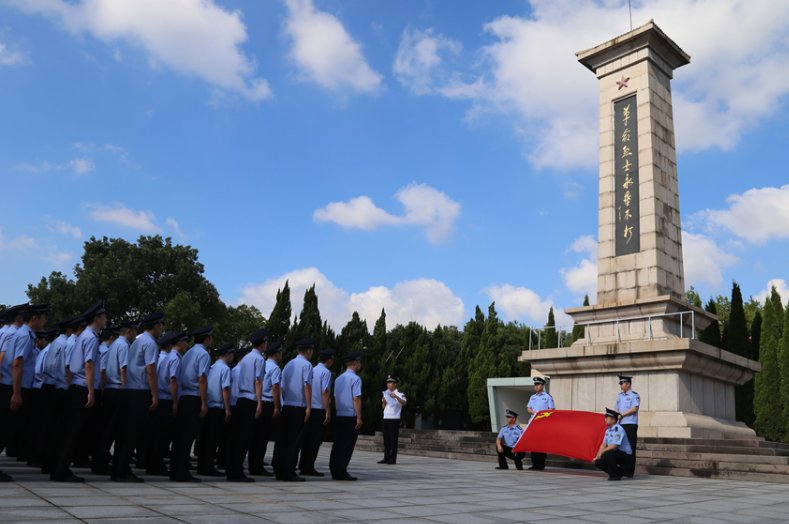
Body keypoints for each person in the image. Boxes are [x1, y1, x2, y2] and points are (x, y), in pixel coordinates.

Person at [55, 301, 107, 482]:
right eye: (104, 316)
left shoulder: (84, 336)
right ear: (97, 318)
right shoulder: (91, 338)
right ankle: (61, 470)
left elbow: (71, 365)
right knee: (72, 432)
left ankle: (60, 469)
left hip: (76, 386)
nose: (106, 320)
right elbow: (89, 365)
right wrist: (91, 392)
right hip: (83, 388)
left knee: (70, 431)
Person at [115, 311, 163, 482]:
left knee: (125, 433)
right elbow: (151, 370)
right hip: (139, 391)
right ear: (156, 326)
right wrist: (155, 394)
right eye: (161, 325)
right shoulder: (150, 343)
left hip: (129, 389)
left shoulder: (138, 340)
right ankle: (122, 471)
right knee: (132, 434)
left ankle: (119, 468)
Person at [93, 319, 137, 475]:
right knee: (118, 430)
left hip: (110, 390)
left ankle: (100, 462)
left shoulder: (113, 345)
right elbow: (123, 369)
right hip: (119, 389)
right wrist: (126, 388)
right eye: (134, 331)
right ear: (129, 331)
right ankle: (104, 463)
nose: (135, 335)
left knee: (107, 430)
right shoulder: (124, 345)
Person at [171, 325, 212, 482]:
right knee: (187, 437)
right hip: (194, 397)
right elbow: (202, 379)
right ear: (207, 338)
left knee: (180, 437)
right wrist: (204, 402)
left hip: (183, 397)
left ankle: (176, 470)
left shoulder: (188, 353)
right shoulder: (203, 354)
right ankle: (182, 472)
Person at [41, 315, 80, 475]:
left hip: (51, 385)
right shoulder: (66, 343)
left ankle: (48, 463)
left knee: (52, 430)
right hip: (60, 387)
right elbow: (67, 368)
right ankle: (54, 464)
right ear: (70, 329)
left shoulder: (57, 342)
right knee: (58, 430)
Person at [273, 338, 314, 482]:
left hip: (287, 405)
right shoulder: (307, 365)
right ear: (308, 350)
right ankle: (288, 471)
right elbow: (307, 386)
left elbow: (282, 387)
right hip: (299, 406)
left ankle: (278, 469)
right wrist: (309, 406)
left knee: (283, 440)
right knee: (294, 442)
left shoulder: (289, 364)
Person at [147, 330, 185, 476]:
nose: (186, 344)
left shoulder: (169, 357)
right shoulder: (175, 358)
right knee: (162, 435)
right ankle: (156, 465)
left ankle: (154, 463)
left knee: (158, 435)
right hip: (167, 400)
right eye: (184, 341)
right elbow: (173, 380)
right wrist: (175, 403)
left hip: (162, 398)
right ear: (179, 342)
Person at [199, 342, 234, 477]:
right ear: (227, 355)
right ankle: (208, 467)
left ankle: (203, 466)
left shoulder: (212, 367)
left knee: (205, 439)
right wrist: (227, 408)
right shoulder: (225, 369)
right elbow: (225, 389)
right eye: (231, 354)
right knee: (213, 440)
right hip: (218, 407)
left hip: (209, 405)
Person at [299, 348, 334, 476]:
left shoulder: (312, 369)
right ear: (329, 360)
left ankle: (302, 464)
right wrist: (328, 411)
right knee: (315, 441)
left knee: (306, 439)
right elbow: (325, 392)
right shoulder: (326, 373)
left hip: (308, 407)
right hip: (319, 409)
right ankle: (308, 467)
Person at [330, 351, 362, 481]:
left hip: (340, 414)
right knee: (347, 445)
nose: (360, 364)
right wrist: (359, 416)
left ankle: (334, 469)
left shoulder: (339, 378)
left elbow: (336, 397)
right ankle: (341, 471)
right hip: (350, 416)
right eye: (359, 361)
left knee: (338, 444)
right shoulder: (356, 379)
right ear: (355, 363)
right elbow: (356, 398)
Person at [239, 329, 267, 480]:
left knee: (239, 438)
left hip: (241, 397)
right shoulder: (259, 359)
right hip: (251, 399)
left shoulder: (246, 358)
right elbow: (258, 381)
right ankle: (237, 472)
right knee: (245, 438)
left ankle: (234, 469)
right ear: (262, 344)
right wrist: (259, 402)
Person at [256, 340, 282, 476]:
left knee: (256, 436)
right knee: (263, 437)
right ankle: (258, 466)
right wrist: (277, 407)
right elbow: (275, 387)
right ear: (276, 354)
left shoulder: (263, 364)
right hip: (268, 404)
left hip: (259, 401)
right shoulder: (275, 368)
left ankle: (254, 463)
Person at [594, 407, 634, 481]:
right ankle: (619, 472)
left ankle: (614, 476)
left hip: (626, 456)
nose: (605, 419)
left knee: (609, 454)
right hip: (615, 453)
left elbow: (614, 446)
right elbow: (603, 444)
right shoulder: (608, 430)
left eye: (607, 418)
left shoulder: (618, 429)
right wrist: (597, 455)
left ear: (613, 419)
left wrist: (602, 452)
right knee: (598, 462)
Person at [526, 376, 554, 470]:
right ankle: (535, 464)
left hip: (543, 423)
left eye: (538, 385)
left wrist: (543, 414)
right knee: (533, 444)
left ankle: (541, 464)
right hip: (533, 422)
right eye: (535, 385)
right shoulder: (532, 397)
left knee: (541, 444)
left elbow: (552, 409)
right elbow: (528, 408)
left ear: (542, 385)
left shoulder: (547, 397)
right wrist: (533, 412)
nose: (536, 387)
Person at [616, 374, 640, 478]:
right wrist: (616, 416)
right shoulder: (619, 396)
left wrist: (622, 415)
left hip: (630, 424)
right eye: (620, 383)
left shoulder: (634, 395)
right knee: (621, 448)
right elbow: (616, 408)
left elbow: (634, 409)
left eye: (622, 383)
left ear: (628, 384)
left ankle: (629, 471)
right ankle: (622, 469)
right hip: (621, 424)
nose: (620, 385)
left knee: (630, 447)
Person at [379, 376, 406, 465]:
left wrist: (396, 397)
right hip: (386, 418)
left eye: (390, 383)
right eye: (388, 383)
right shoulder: (386, 393)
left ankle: (392, 459)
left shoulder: (399, 393)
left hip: (394, 419)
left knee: (393, 440)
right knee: (386, 439)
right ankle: (386, 457)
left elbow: (404, 402)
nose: (388, 384)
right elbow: (383, 408)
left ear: (394, 384)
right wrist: (383, 402)